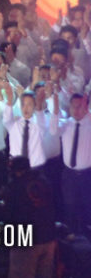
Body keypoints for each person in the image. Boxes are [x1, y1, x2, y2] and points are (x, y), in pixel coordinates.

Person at [50, 91, 91, 236]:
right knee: (70, 207)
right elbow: (53, 131)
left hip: (87, 174)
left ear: (86, 106)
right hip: (69, 175)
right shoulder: (66, 124)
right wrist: (55, 109)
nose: (76, 110)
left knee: (88, 208)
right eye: (73, 107)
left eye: (79, 106)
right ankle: (72, 239)